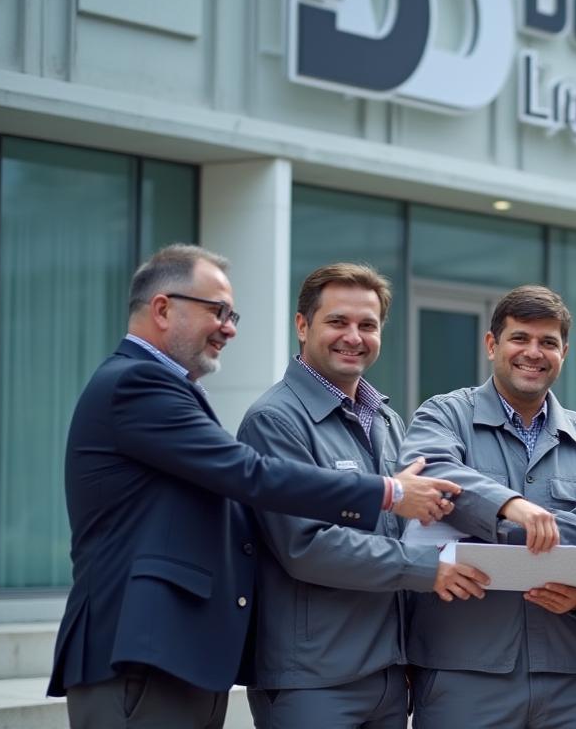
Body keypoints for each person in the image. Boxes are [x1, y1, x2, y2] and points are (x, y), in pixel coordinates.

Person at [47, 244, 460, 729]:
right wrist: (387, 493)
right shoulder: (137, 383)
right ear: (162, 308)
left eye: (232, 315)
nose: (229, 328)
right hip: (139, 650)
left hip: (177, 653)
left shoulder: (169, 387)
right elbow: (250, 474)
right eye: (218, 312)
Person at [237, 263, 490, 728]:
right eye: (338, 321)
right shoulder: (275, 421)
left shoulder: (388, 421)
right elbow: (305, 546)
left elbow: (400, 531)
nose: (353, 337)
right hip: (312, 679)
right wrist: (428, 569)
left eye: (367, 325)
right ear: (302, 325)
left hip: (388, 673)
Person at [401, 285, 576, 728]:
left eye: (548, 342)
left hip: (571, 671)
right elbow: (430, 475)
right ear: (491, 344)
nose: (533, 353)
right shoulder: (444, 415)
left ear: (564, 353)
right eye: (519, 338)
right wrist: (511, 507)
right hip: (463, 671)